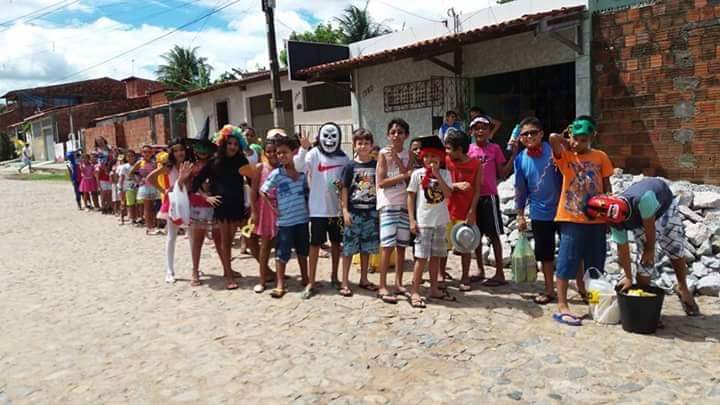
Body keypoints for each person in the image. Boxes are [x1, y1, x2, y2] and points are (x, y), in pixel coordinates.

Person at [584, 178, 700, 316]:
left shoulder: (643, 199)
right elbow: (622, 248)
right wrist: (628, 276)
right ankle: (644, 306)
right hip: (640, 219)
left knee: (674, 246)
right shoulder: (615, 222)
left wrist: (649, 249)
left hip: (664, 206)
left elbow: (650, 226)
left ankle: (682, 287)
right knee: (645, 263)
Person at [549, 115, 614, 326]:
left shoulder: (601, 157)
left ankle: (593, 301)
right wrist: (566, 139)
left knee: (595, 265)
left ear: (592, 137)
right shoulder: (566, 156)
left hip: (596, 220)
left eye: (583, 139)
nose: (578, 143)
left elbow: (607, 186)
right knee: (566, 261)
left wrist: (608, 214)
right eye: (575, 138)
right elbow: (552, 138)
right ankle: (562, 304)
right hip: (571, 218)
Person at [191, 125, 254, 290]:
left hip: (239, 206)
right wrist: (206, 197)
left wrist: (252, 204)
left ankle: (265, 271)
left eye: (236, 144)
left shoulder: (242, 161)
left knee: (249, 237)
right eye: (229, 143)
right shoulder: (214, 162)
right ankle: (229, 275)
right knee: (226, 242)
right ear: (223, 143)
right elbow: (195, 183)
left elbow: (251, 181)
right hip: (222, 207)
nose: (232, 146)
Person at [514, 117, 563, 305]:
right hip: (539, 213)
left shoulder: (554, 151)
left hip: (563, 210)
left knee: (570, 251)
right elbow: (520, 189)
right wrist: (520, 215)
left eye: (533, 132)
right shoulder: (520, 159)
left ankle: (581, 288)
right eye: (524, 134)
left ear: (541, 134)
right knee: (545, 254)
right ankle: (549, 289)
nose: (529, 137)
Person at [467, 115, 518, 286]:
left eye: (484, 128)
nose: (480, 131)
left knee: (494, 235)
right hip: (473, 198)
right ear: (472, 131)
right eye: (477, 128)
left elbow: (502, 173)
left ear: (490, 131)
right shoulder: (468, 150)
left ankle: (500, 273)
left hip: (489, 197)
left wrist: (514, 156)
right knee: (476, 235)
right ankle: (480, 269)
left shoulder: (495, 149)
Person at [303, 123, 351, 299]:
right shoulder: (313, 154)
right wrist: (303, 149)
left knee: (337, 244)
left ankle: (335, 276)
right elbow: (300, 166)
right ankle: (311, 281)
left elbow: (346, 184)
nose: (329, 140)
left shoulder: (344, 158)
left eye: (333, 136)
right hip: (318, 210)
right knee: (315, 245)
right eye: (326, 136)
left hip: (337, 211)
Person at [260, 135, 310, 299]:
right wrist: (273, 208)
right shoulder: (277, 174)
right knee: (282, 253)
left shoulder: (301, 173)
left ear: (293, 152)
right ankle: (280, 283)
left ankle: (305, 278)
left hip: (302, 219)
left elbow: (306, 190)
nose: (281, 156)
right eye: (278, 153)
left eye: (284, 152)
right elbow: (263, 191)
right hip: (285, 221)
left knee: (303, 251)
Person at [407, 136, 454, 308]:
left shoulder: (446, 174)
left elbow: (448, 193)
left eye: (433, 156)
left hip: (440, 222)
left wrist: (437, 175)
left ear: (440, 158)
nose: (429, 160)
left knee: (436, 257)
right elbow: (410, 196)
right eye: (426, 156)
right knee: (421, 258)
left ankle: (434, 288)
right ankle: (415, 291)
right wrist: (412, 220)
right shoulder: (417, 175)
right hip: (424, 223)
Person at [339, 129, 379, 297]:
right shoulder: (350, 166)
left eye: (366, 143)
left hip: (371, 212)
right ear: (354, 145)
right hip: (354, 212)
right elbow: (344, 188)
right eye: (359, 143)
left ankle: (364, 279)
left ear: (371, 145)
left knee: (366, 248)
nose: (363, 146)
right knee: (348, 249)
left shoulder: (376, 165)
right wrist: (345, 210)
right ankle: (344, 282)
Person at [376, 118, 412, 304]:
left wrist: (398, 162)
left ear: (406, 135)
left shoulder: (409, 154)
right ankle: (382, 285)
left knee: (401, 245)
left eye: (400, 132)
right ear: (388, 135)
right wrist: (403, 175)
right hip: (388, 203)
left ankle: (398, 283)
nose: (396, 135)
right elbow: (382, 182)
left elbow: (409, 179)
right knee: (387, 245)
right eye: (393, 132)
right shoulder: (383, 154)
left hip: (404, 204)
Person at [443, 129, 483, 291]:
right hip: (446, 210)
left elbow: (477, 190)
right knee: (443, 245)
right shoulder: (445, 161)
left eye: (449, 148)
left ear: (459, 149)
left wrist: (472, 211)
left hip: (465, 211)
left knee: (465, 244)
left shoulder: (476, 164)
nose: (446, 151)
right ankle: (440, 274)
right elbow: (438, 182)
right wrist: (455, 186)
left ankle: (465, 276)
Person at [148, 142, 193, 284]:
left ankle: (195, 268)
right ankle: (169, 270)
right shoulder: (169, 167)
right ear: (172, 153)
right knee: (172, 237)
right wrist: (164, 191)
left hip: (189, 200)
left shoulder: (190, 164)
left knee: (192, 237)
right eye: (176, 150)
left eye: (182, 150)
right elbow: (150, 178)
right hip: (173, 202)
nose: (180, 153)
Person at [184, 128, 220, 287]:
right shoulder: (191, 166)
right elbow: (190, 186)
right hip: (198, 205)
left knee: (219, 239)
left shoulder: (216, 164)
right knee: (197, 240)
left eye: (205, 147)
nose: (201, 151)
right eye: (199, 147)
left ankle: (227, 268)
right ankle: (195, 270)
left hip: (215, 205)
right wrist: (204, 195)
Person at [248, 139, 281, 293]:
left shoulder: (283, 168)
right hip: (265, 210)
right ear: (264, 153)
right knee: (265, 246)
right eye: (269, 151)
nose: (272, 154)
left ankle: (279, 277)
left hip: (281, 210)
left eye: (275, 151)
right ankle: (262, 279)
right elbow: (253, 191)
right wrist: (254, 212)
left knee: (280, 246)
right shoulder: (260, 168)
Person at [130, 145, 162, 235]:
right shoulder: (140, 162)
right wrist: (138, 181)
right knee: (147, 207)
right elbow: (131, 173)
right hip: (145, 187)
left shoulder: (154, 162)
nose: (147, 154)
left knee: (154, 207)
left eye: (149, 152)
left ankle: (153, 226)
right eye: (145, 152)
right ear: (141, 153)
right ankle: (149, 227)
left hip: (154, 186)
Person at [118, 150, 139, 226]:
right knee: (124, 202)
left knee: (135, 203)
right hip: (126, 186)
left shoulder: (137, 165)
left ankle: (134, 218)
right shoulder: (124, 167)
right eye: (128, 156)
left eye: (132, 156)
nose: (130, 158)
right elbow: (121, 177)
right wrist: (120, 187)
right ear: (126, 158)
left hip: (136, 185)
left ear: (135, 157)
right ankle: (122, 217)